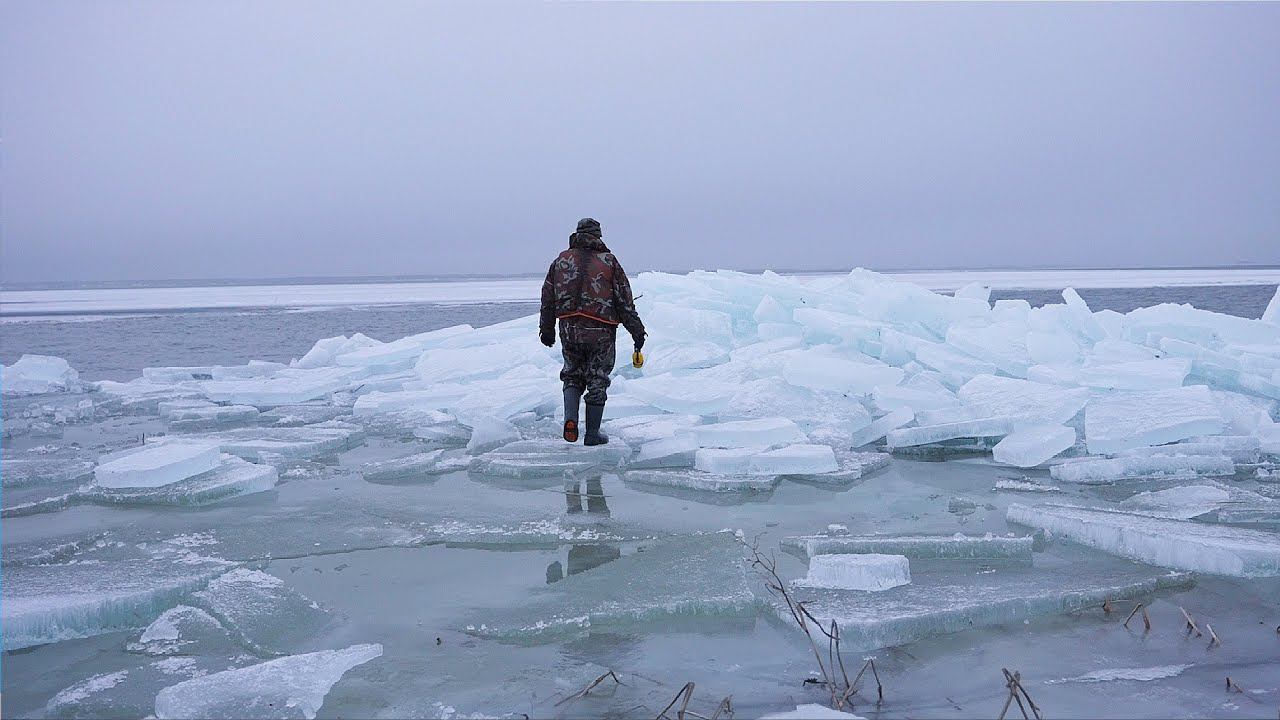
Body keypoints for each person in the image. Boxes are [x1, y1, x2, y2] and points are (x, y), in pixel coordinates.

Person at [539, 217, 645, 445]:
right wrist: (637, 332)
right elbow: (625, 302)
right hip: (601, 330)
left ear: (576, 235)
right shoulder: (609, 261)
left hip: (569, 328)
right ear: (597, 236)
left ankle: (571, 421)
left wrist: (546, 330)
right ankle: (592, 434)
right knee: (597, 378)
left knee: (572, 373)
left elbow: (547, 298)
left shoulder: (560, 261)